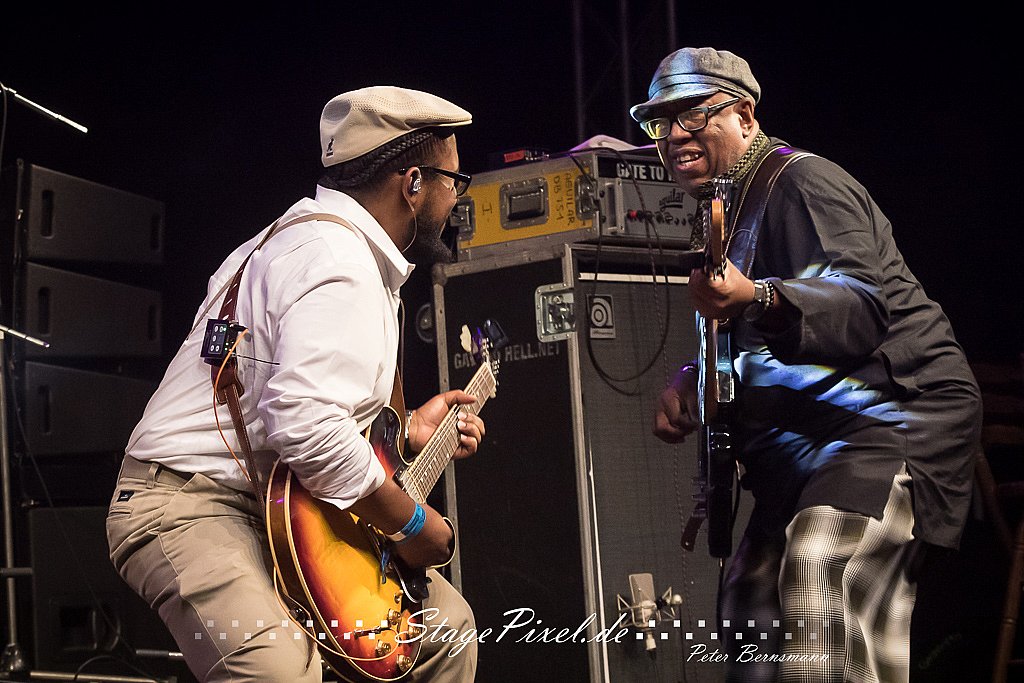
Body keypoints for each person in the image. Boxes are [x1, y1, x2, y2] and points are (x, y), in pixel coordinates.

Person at [106, 86, 485, 682]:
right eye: (453, 181)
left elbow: (292, 403)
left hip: (279, 506)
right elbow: (306, 426)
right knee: (281, 673)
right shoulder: (341, 264)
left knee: (447, 633)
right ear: (412, 184)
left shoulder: (303, 240)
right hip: (191, 502)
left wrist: (405, 432)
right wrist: (412, 524)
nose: (456, 197)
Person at [640, 48, 981, 682]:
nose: (674, 135)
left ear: (745, 115)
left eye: (692, 115)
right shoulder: (725, 205)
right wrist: (693, 379)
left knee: (821, 563)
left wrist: (758, 296)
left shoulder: (802, 181)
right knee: (749, 612)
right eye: (660, 122)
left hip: (885, 422)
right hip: (803, 448)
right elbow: (750, 335)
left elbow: (861, 306)